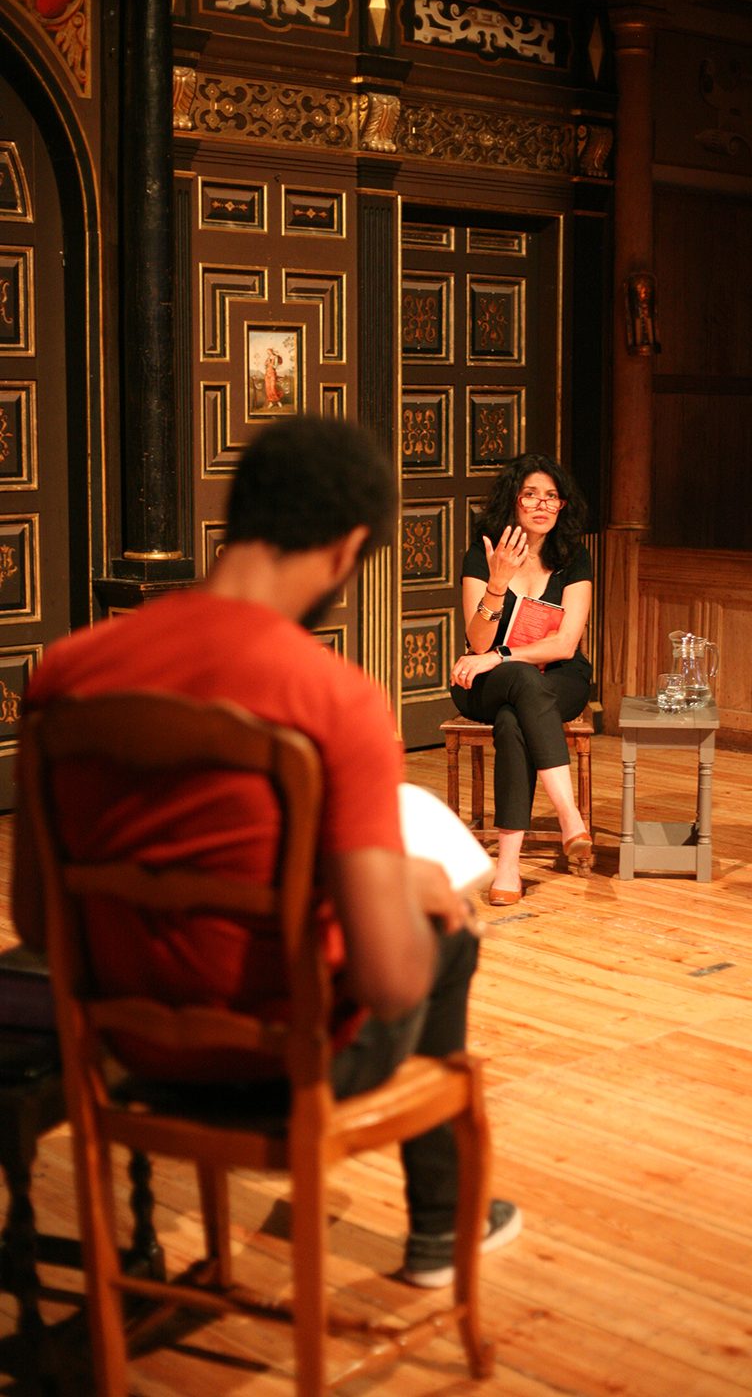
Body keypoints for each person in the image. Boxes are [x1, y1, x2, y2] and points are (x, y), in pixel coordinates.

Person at [12, 415, 521, 1290]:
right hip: (280, 1065)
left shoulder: (65, 672)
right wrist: (409, 891)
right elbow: (393, 981)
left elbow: (33, 919)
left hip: (125, 1049)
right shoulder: (330, 698)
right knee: (449, 935)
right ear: (347, 547)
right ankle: (440, 1227)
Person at [450, 452, 593, 905]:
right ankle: (570, 816)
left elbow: (566, 644)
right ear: (513, 502)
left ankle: (507, 866)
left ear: (562, 506)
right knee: (519, 686)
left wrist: (502, 656)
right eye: (531, 494)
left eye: (552, 497)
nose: (542, 504)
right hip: (485, 679)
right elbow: (476, 642)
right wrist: (498, 582)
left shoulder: (573, 558)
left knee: (516, 716)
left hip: (556, 676)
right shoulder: (484, 553)